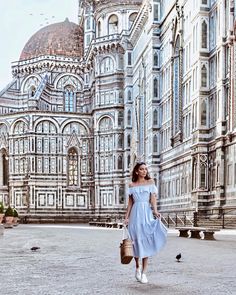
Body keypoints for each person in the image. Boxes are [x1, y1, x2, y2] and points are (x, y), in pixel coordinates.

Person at [124, 162, 167, 284]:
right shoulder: (132, 184)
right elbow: (130, 203)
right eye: (141, 169)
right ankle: (137, 267)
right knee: (136, 242)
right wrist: (126, 217)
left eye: (145, 169)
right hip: (135, 215)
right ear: (137, 171)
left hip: (146, 214)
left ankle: (144, 272)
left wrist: (156, 211)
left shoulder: (150, 182)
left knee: (146, 241)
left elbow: (153, 199)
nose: (144, 171)